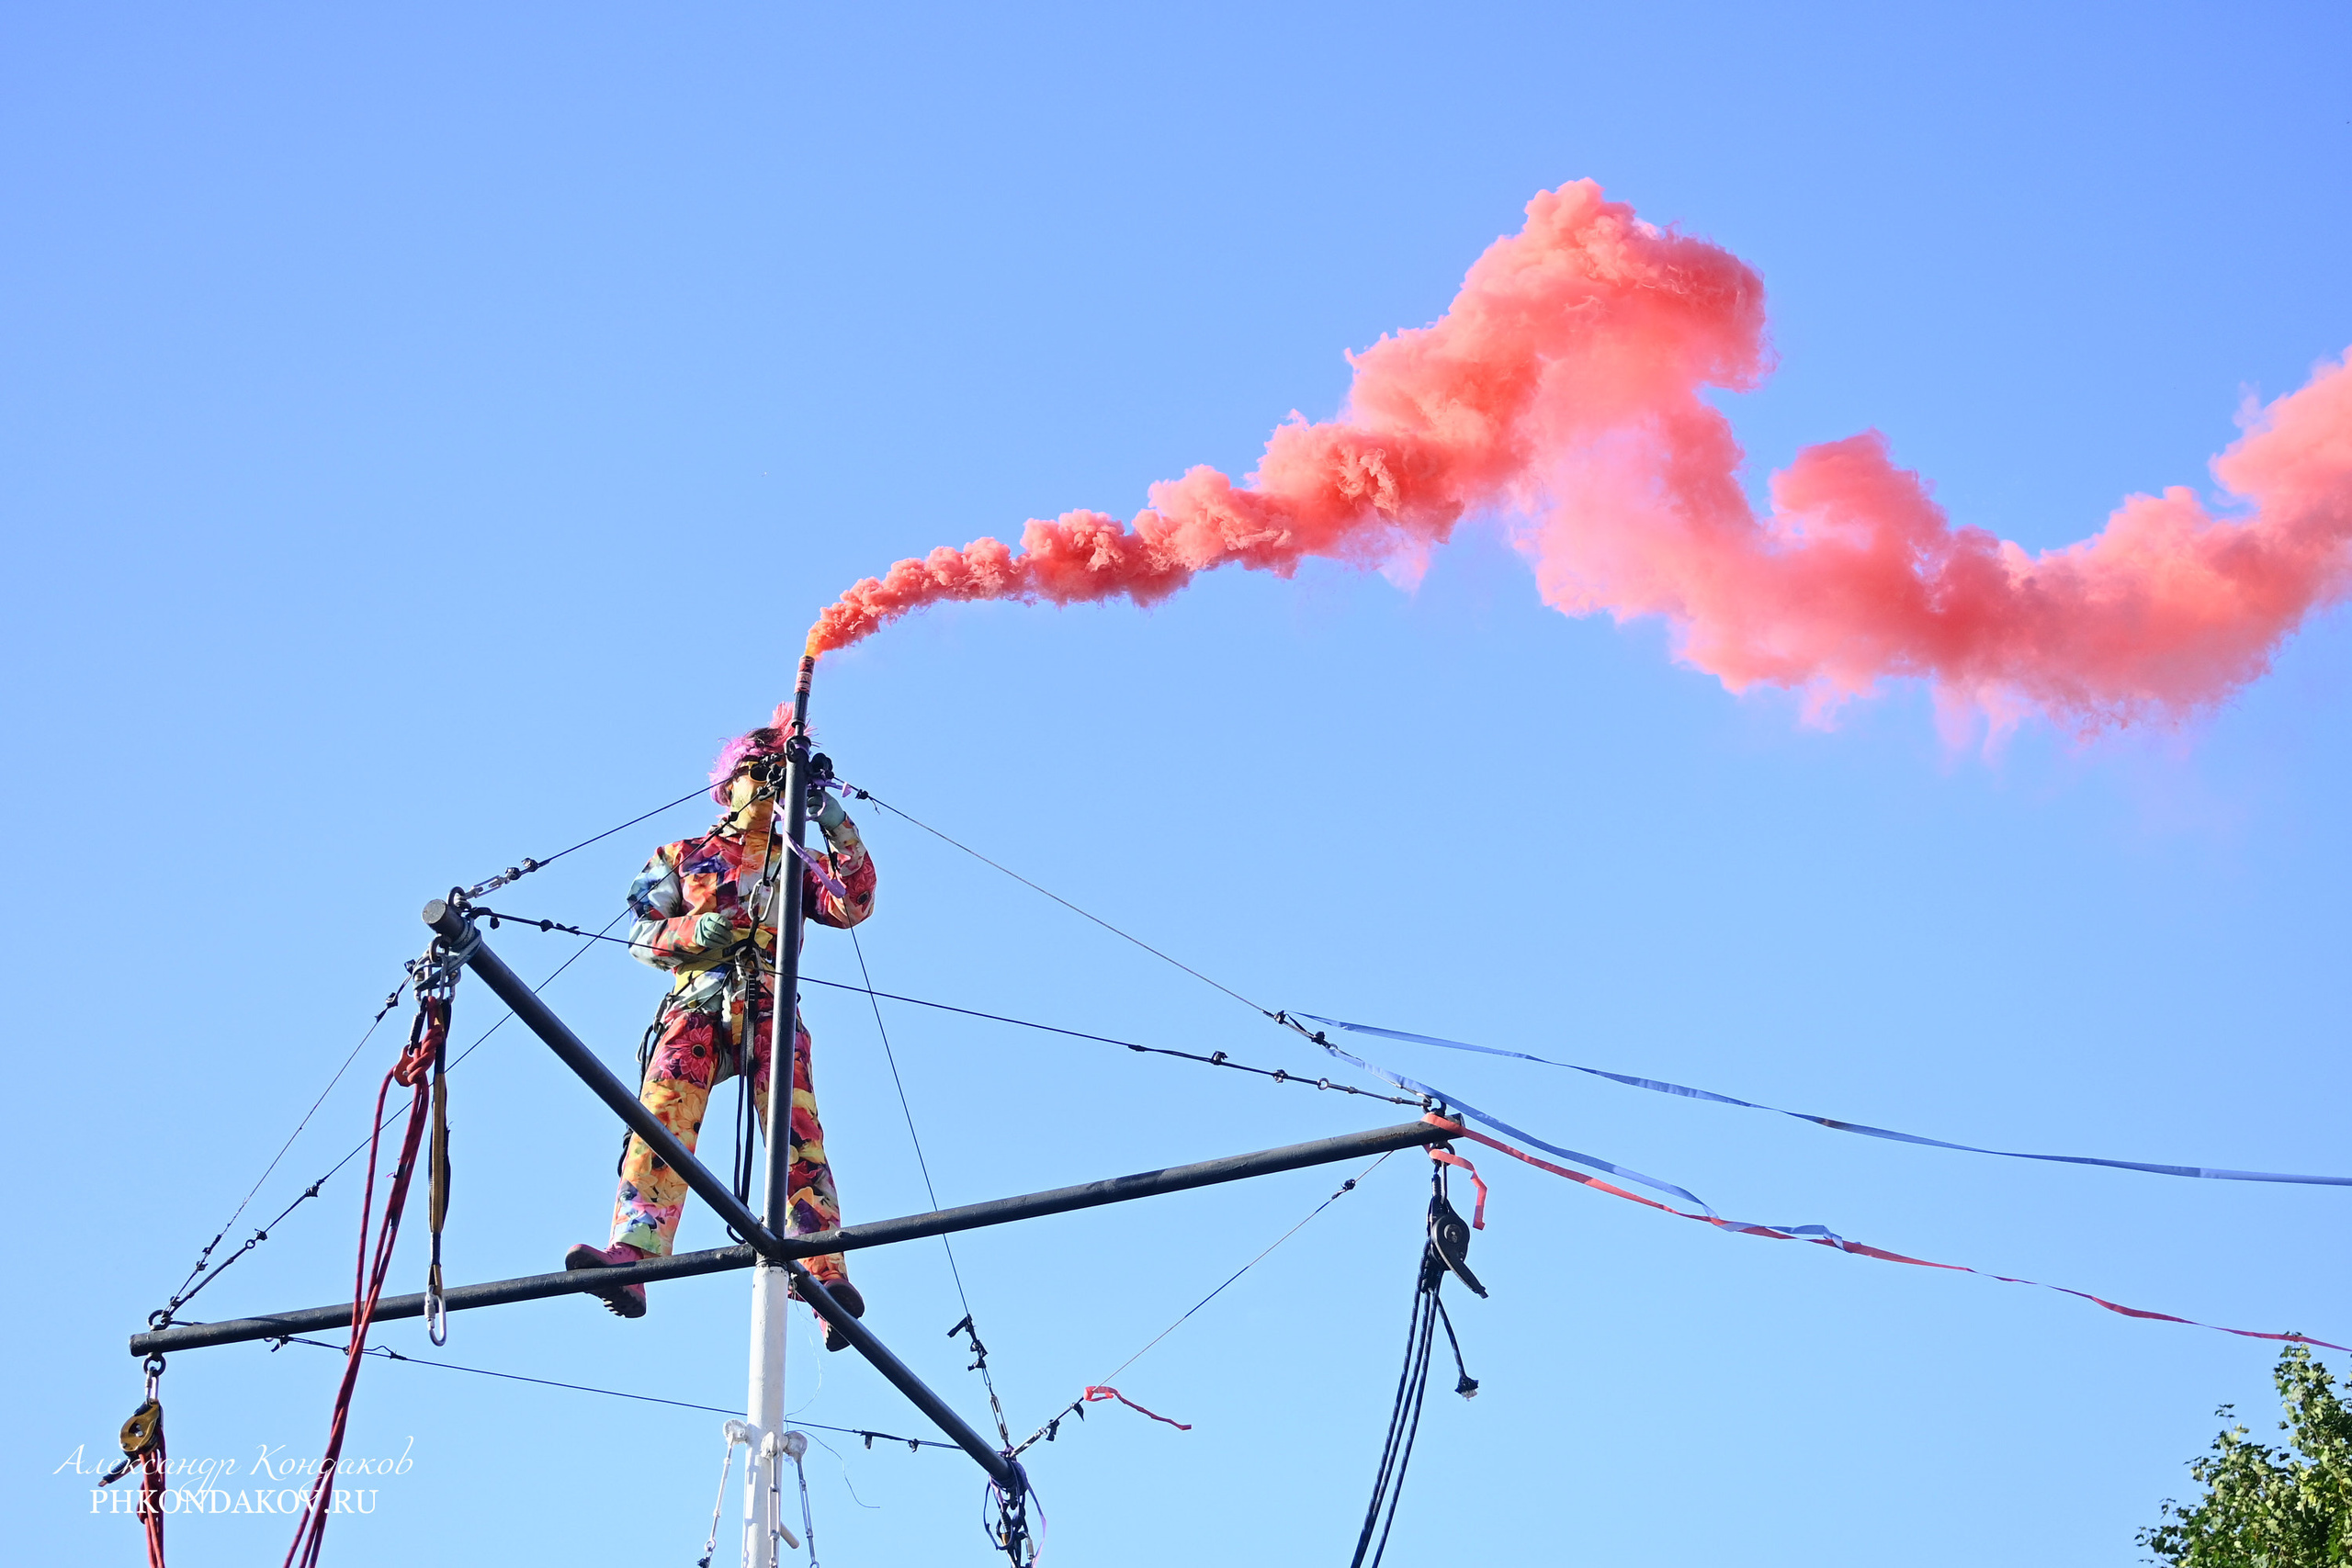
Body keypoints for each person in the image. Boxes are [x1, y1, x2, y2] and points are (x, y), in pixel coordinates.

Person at [563, 715, 876, 1344]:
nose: (768, 782)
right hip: (696, 1003)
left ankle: (822, 1272)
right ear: (728, 784)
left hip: (769, 1005)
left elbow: (853, 903)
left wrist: (833, 820)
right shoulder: (682, 856)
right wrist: (694, 931)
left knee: (797, 1134)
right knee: (660, 1119)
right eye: (758, 771)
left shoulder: (797, 859)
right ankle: (634, 1256)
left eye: (777, 772)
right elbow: (641, 935)